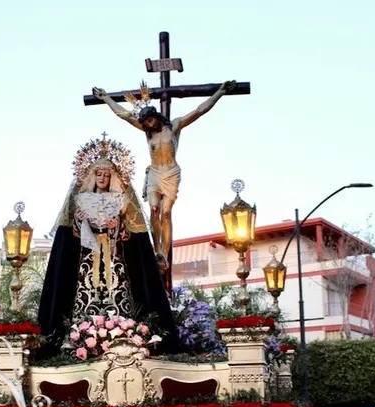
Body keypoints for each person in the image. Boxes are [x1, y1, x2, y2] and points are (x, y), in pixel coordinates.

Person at [37, 135, 176, 351]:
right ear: (91, 177)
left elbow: (131, 235)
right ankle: (80, 335)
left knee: (118, 289)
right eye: (98, 174)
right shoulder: (81, 198)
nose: (102, 178)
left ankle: (123, 329)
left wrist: (117, 225)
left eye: (106, 175)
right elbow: (71, 234)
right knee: (86, 291)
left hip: (113, 255)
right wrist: (80, 220)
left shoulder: (120, 199)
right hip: (88, 257)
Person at [91, 81, 236, 270]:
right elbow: (123, 115)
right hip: (154, 173)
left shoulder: (174, 126)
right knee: (153, 209)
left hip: (171, 173)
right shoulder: (147, 133)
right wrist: (106, 98)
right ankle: (157, 249)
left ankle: (164, 253)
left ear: (156, 116)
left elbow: (199, 110)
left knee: (166, 213)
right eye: (146, 122)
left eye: (151, 120)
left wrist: (220, 92)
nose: (149, 124)